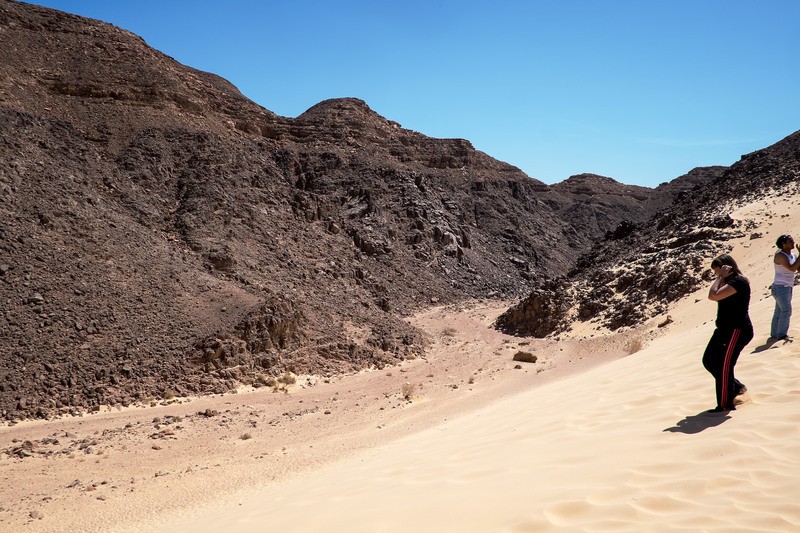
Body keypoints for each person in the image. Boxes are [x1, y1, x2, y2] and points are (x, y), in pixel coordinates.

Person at [703, 254, 753, 413]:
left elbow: (713, 296)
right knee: (709, 360)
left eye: (718, 269)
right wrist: (721, 278)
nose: (716, 273)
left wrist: (720, 278)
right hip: (723, 330)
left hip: (736, 330)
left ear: (727, 267)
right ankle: (736, 387)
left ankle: (725, 404)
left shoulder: (738, 281)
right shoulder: (728, 282)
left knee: (724, 365)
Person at [770, 234, 800, 340]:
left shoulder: (792, 255)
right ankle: (781, 335)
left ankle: (774, 334)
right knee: (786, 310)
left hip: (787, 286)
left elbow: (798, 269)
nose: (793, 243)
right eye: (790, 242)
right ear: (783, 244)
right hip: (780, 287)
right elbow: (791, 268)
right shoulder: (780, 255)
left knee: (779, 310)